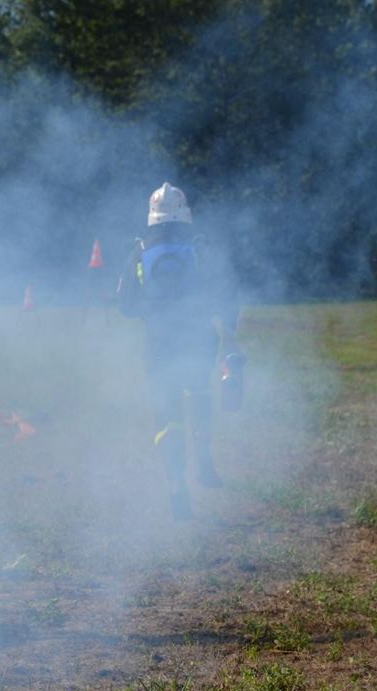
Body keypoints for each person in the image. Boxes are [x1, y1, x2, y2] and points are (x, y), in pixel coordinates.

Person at [116, 182, 241, 520]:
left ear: (152, 216)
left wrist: (151, 311)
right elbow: (225, 292)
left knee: (167, 415)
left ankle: (175, 483)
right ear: (185, 214)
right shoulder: (199, 248)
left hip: (159, 344)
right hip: (199, 339)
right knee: (199, 393)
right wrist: (229, 331)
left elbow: (125, 304)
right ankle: (203, 458)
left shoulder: (140, 250)